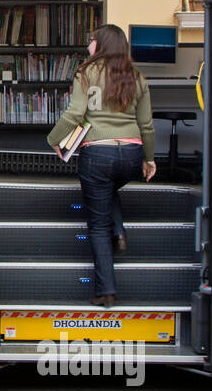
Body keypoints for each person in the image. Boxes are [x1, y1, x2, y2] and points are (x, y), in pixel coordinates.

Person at [46, 23, 157, 308]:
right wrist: (149, 159)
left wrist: (53, 139)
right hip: (130, 155)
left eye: (91, 41)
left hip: (97, 156)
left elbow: (74, 114)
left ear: (102, 44)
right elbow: (146, 124)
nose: (87, 46)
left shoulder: (86, 72)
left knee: (96, 225)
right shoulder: (137, 77)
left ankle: (106, 291)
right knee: (107, 192)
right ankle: (118, 229)